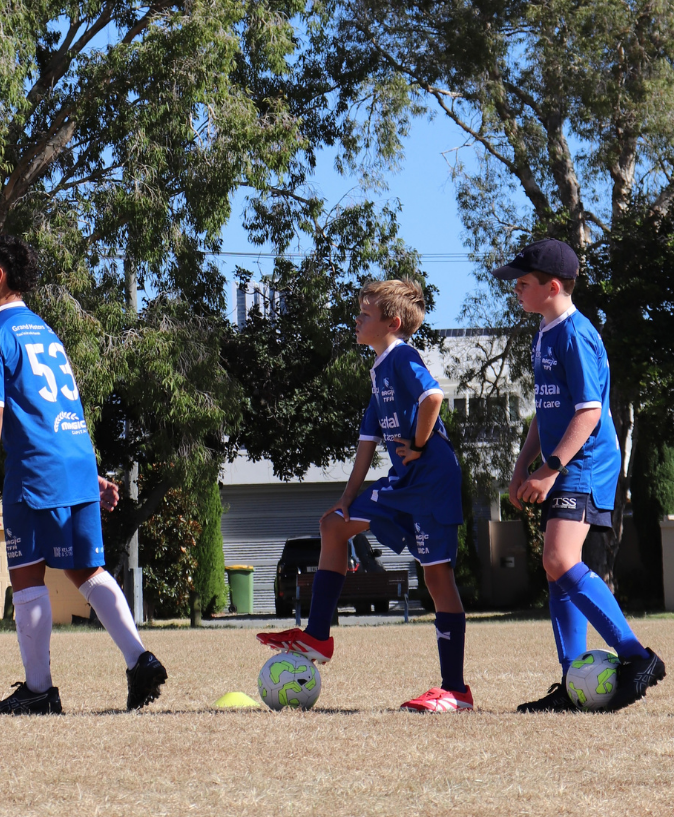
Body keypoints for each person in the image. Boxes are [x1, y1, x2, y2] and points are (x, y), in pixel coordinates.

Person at [0, 234, 167, 715]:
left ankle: (38, 691)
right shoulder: (45, 331)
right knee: (84, 570)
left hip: (35, 471)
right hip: (72, 462)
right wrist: (89, 474)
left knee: (27, 576)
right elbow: (63, 407)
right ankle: (140, 660)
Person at [259, 279, 473, 713]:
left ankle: (457, 692)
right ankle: (318, 636)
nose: (356, 320)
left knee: (437, 579)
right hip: (402, 485)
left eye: (364, 314)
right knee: (333, 524)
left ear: (391, 322)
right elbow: (366, 445)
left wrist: (417, 442)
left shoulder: (402, 356)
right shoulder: (378, 371)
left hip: (432, 482)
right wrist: (346, 497)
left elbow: (433, 396)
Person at [493, 239, 666, 712]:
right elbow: (544, 413)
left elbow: (588, 414)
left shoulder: (576, 334)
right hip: (562, 463)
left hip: (585, 463)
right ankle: (573, 684)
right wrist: (521, 467)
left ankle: (637, 657)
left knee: (559, 559)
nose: (516, 291)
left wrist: (549, 469)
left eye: (523, 284)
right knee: (555, 569)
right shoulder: (545, 332)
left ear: (552, 286)